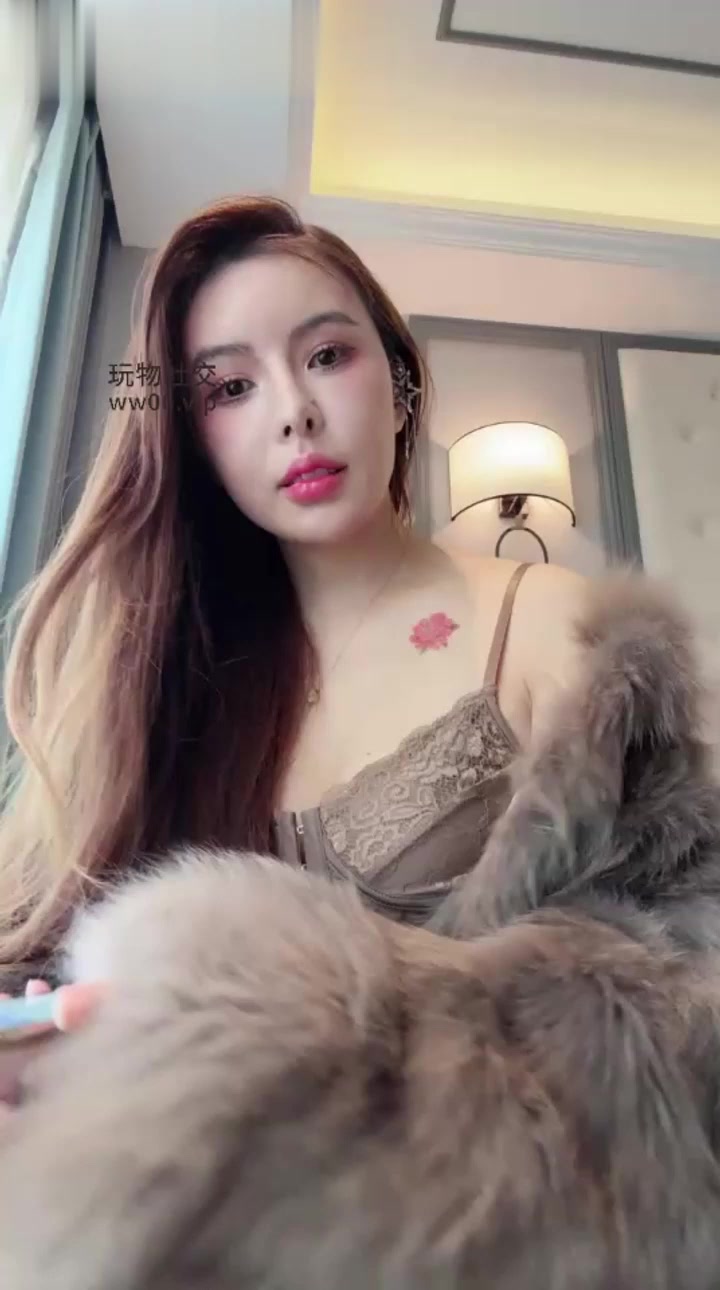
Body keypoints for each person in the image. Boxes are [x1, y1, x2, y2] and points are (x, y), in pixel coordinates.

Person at [0, 195, 588, 1101]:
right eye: (230, 389)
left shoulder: (551, 622)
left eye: (326, 357)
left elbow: (674, 980)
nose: (295, 413)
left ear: (401, 384)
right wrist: (45, 1034)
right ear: (192, 440)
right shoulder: (157, 673)